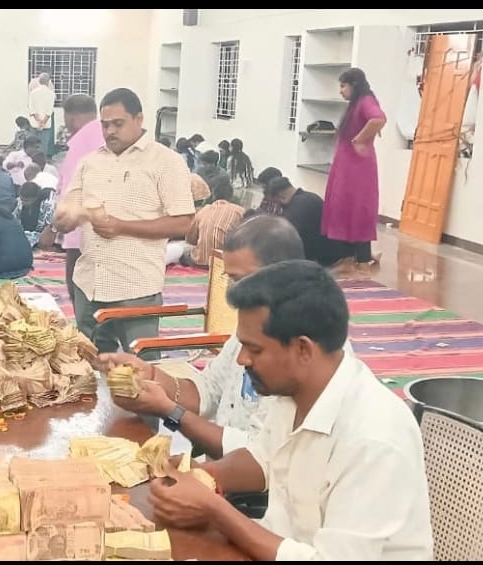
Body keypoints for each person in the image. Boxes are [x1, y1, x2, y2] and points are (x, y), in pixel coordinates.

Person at [148, 260, 433, 561]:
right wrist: (203, 476)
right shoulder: (294, 394)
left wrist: (215, 510)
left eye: (254, 349)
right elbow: (264, 457)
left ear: (303, 349)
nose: (242, 360)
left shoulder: (373, 437)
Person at [102, 216, 341, 459]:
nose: (232, 291)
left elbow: (259, 456)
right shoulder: (252, 328)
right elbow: (207, 391)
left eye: (241, 280)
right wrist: (151, 375)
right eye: (229, 278)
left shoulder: (301, 353)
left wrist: (170, 412)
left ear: (284, 273)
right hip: (223, 470)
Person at [53, 88, 195, 359]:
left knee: (142, 366)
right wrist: (63, 220)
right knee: (89, 363)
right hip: (89, 284)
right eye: (105, 125)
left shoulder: (165, 161)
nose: (110, 131)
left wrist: (122, 227)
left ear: (138, 119)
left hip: (135, 287)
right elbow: (67, 212)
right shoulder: (90, 162)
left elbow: (184, 223)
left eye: (118, 124)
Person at [324, 67, 387, 268]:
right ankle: (352, 255)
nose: (340, 91)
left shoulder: (366, 101)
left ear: (355, 85)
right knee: (343, 206)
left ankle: (362, 257)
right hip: (347, 167)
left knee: (357, 207)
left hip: (357, 169)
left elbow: (378, 119)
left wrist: (359, 139)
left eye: (343, 86)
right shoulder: (357, 103)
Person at [55, 93, 105, 324]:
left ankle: (88, 338)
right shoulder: (107, 135)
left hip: (80, 231)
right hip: (107, 228)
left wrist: (55, 227)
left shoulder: (81, 142)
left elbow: (70, 190)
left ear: (71, 117)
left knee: (79, 290)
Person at [265, 176, 347, 267]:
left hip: (326, 261)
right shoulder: (310, 197)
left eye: (275, 202)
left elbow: (289, 241)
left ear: (281, 197)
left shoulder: (295, 208)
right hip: (337, 253)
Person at [182, 180, 244, 268]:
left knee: (184, 252)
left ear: (213, 195)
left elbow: (190, 240)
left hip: (199, 262)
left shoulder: (203, 210)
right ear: (231, 195)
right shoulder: (239, 211)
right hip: (224, 264)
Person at [18, 182, 55, 249]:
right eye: (22, 200)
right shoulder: (19, 203)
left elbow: (49, 226)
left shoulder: (47, 205)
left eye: (26, 201)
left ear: (35, 198)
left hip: (43, 237)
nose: (23, 203)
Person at [29, 73, 57, 155]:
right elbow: (49, 110)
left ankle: (32, 160)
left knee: (33, 145)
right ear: (48, 82)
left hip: (34, 123)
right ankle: (42, 160)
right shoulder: (51, 94)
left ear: (39, 81)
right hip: (46, 124)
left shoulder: (33, 93)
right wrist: (43, 122)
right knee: (43, 146)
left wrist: (38, 120)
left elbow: (31, 109)